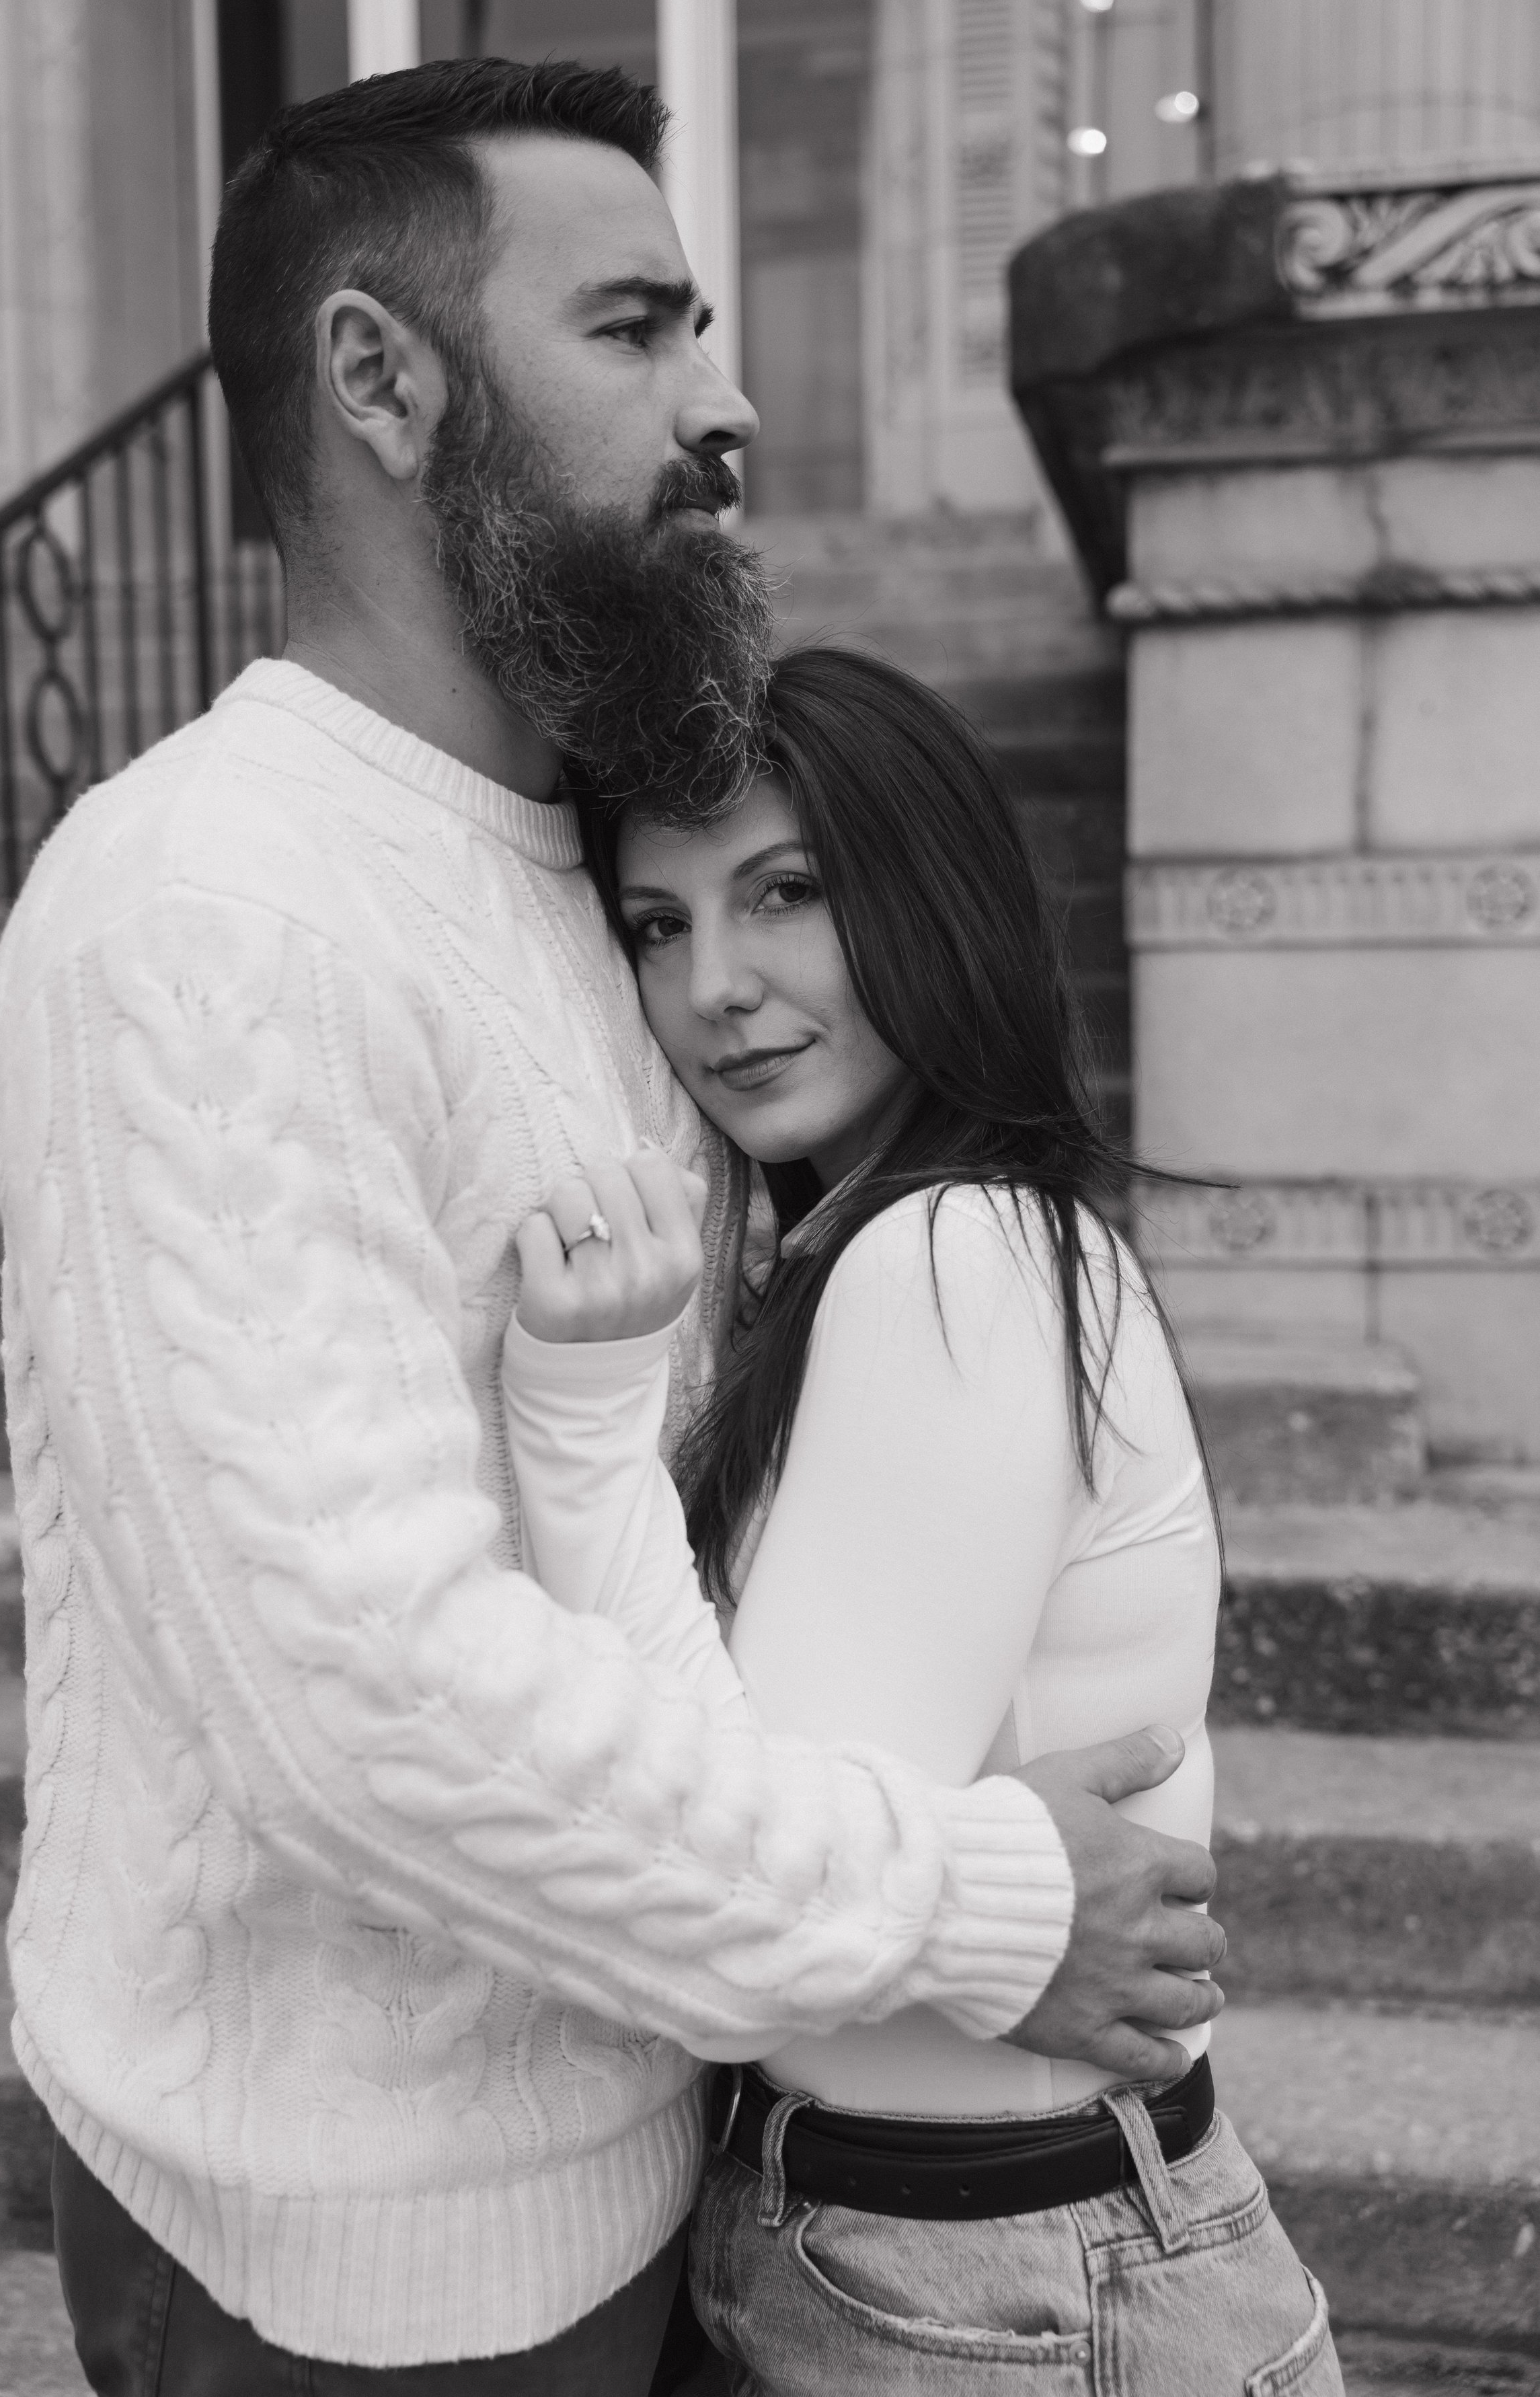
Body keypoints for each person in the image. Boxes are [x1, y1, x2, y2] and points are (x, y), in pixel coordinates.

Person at [0, 61, 1224, 2394]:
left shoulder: (589, 873)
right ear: (381, 380)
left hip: (669, 2161)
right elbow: (366, 1708)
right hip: (354, 2259)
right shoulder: (206, 911)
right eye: (635, 328)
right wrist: (959, 1901)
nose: (722, 406)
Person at [503, 650, 1342, 2394]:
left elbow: (747, 1906)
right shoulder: (900, 1255)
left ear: (929, 895)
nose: (716, 988)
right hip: (960, 2255)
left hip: (994, 2291)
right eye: (657, 926)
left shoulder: (954, 1259)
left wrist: (579, 1425)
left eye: (784, 894)